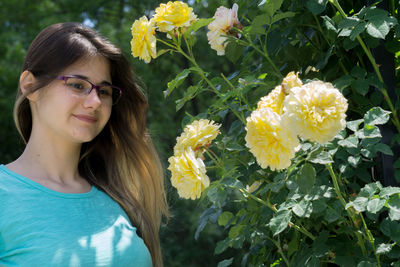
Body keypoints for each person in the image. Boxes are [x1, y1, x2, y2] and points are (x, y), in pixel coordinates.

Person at [0, 22, 168, 266]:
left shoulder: (120, 198)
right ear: (30, 86)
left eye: (104, 92)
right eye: (78, 85)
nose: (95, 102)